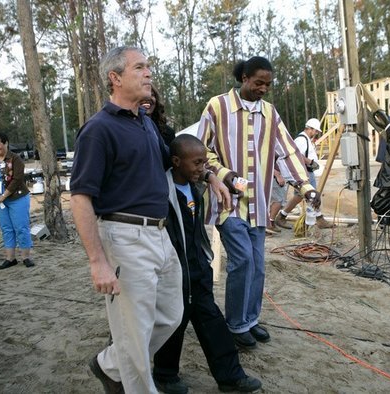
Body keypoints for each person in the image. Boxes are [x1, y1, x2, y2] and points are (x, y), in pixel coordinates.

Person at [70, 46, 229, 393]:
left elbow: (176, 162)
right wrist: (97, 261)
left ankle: (109, 364)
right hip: (124, 237)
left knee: (172, 314)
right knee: (134, 330)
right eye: (139, 67)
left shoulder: (144, 123)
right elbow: (80, 197)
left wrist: (212, 176)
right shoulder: (98, 130)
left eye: (148, 66)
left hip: (161, 235)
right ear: (115, 78)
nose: (148, 73)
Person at [196, 56, 321, 350]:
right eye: (258, 83)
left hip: (259, 205)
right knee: (242, 261)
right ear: (244, 79)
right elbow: (200, 150)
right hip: (229, 203)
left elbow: (288, 152)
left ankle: (250, 320)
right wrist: (225, 175)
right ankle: (235, 325)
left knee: (259, 265)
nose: (264, 88)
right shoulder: (218, 107)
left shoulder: (270, 113)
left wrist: (305, 187)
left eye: (268, 84)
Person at [153, 134, 261, 394]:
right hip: (175, 271)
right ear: (176, 161)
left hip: (198, 269)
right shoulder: (161, 192)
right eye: (197, 163)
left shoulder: (195, 187)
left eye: (204, 163)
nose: (203, 168)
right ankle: (165, 374)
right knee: (174, 322)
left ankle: (230, 377)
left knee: (212, 320)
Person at [0, 132, 34, 269]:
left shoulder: (15, 159)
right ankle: (10, 258)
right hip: (0, 201)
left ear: (5, 143)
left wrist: (4, 195)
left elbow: (17, 179)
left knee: (21, 227)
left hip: (16, 198)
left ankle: (26, 257)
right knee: (6, 228)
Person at [275, 118, 334, 229]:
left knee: (299, 196)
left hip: (305, 171)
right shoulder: (301, 140)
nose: (316, 133)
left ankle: (282, 216)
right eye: (315, 131)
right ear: (310, 129)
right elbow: (296, 156)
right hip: (304, 172)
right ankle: (318, 219)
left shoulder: (306, 139)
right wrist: (310, 162)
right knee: (313, 195)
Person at [266, 164, 286, 235]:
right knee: (278, 200)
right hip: (273, 176)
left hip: (270, 175)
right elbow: (267, 162)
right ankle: (269, 224)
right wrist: (277, 175)